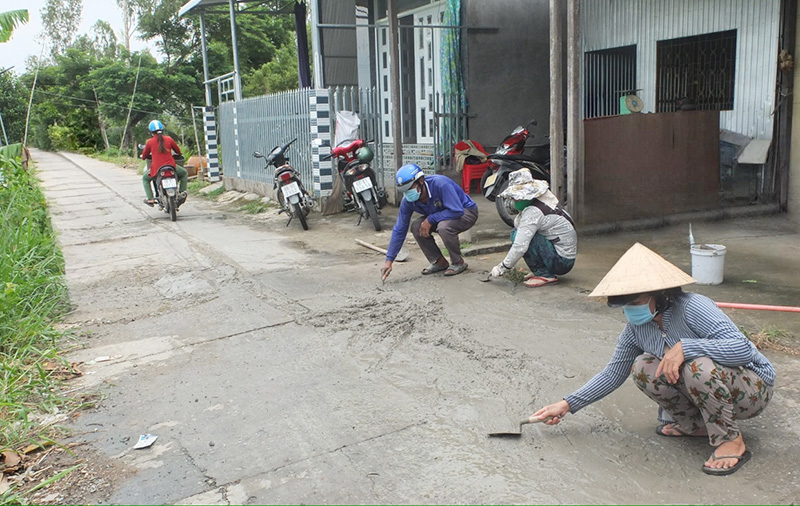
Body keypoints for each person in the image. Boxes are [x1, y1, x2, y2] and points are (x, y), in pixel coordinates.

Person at [531, 243, 775, 476]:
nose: (630, 311)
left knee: (697, 367)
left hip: (752, 389)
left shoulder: (693, 307)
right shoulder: (636, 329)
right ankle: (696, 425)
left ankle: (731, 441)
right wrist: (567, 404)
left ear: (661, 295)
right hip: (710, 387)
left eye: (635, 302)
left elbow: (743, 349)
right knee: (643, 367)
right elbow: (613, 374)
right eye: (625, 305)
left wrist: (686, 347)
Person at [381, 164, 478, 281]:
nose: (407, 194)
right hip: (443, 215)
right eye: (404, 191)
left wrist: (430, 219)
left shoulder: (441, 184)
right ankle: (439, 261)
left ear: (421, 181)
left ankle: (458, 262)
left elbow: (457, 211)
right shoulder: (408, 201)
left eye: (409, 189)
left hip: (465, 212)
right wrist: (389, 260)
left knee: (444, 227)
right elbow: (400, 229)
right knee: (417, 227)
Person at [489, 169, 577, 287]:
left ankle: (545, 274)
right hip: (563, 254)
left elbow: (520, 246)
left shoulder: (534, 212)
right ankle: (540, 271)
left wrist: (502, 267)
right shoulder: (544, 197)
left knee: (518, 236)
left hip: (563, 261)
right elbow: (518, 224)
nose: (515, 201)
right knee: (518, 232)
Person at [141, 119, 188, 207]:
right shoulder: (169, 139)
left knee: (145, 179)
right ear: (162, 130)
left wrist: (142, 156)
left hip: (157, 169)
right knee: (184, 173)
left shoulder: (150, 142)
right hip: (171, 167)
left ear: (151, 132)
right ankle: (182, 193)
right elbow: (178, 152)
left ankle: (150, 199)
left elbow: (144, 156)